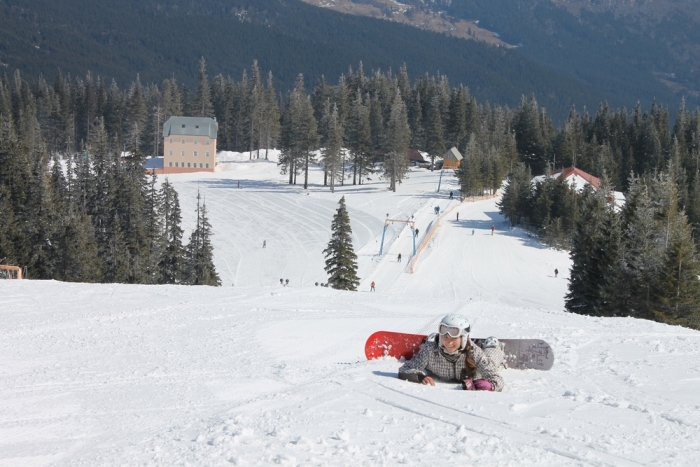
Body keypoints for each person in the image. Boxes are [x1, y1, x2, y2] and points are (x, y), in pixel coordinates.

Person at [399, 314, 504, 391]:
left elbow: (496, 378)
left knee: (492, 362)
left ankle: (492, 346)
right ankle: (431, 339)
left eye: (454, 338)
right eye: (445, 337)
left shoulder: (474, 352)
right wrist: (420, 377)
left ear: (463, 338)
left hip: (477, 368)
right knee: (429, 346)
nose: (449, 342)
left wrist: (489, 385)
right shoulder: (430, 350)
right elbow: (405, 369)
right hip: (432, 351)